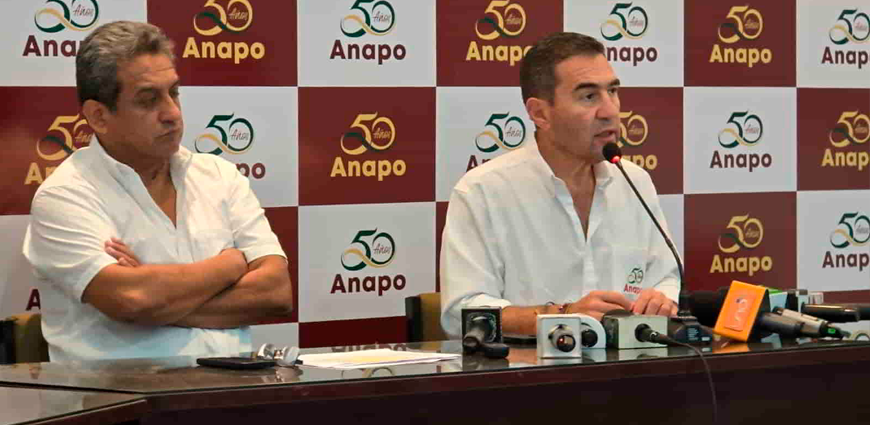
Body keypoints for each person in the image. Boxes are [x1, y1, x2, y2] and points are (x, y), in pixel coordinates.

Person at [22, 21, 293, 361]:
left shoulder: (219, 175)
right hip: (119, 392)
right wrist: (230, 265)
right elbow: (132, 299)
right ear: (99, 116)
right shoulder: (65, 196)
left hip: (233, 386)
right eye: (149, 100)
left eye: (174, 93)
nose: (172, 113)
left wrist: (158, 300)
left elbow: (275, 292)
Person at [440, 32, 680, 337]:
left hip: (631, 362)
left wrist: (660, 300)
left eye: (613, 91)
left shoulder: (634, 181)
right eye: (589, 96)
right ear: (540, 113)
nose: (610, 111)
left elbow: (666, 277)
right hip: (527, 365)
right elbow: (461, 313)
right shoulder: (483, 191)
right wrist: (563, 316)